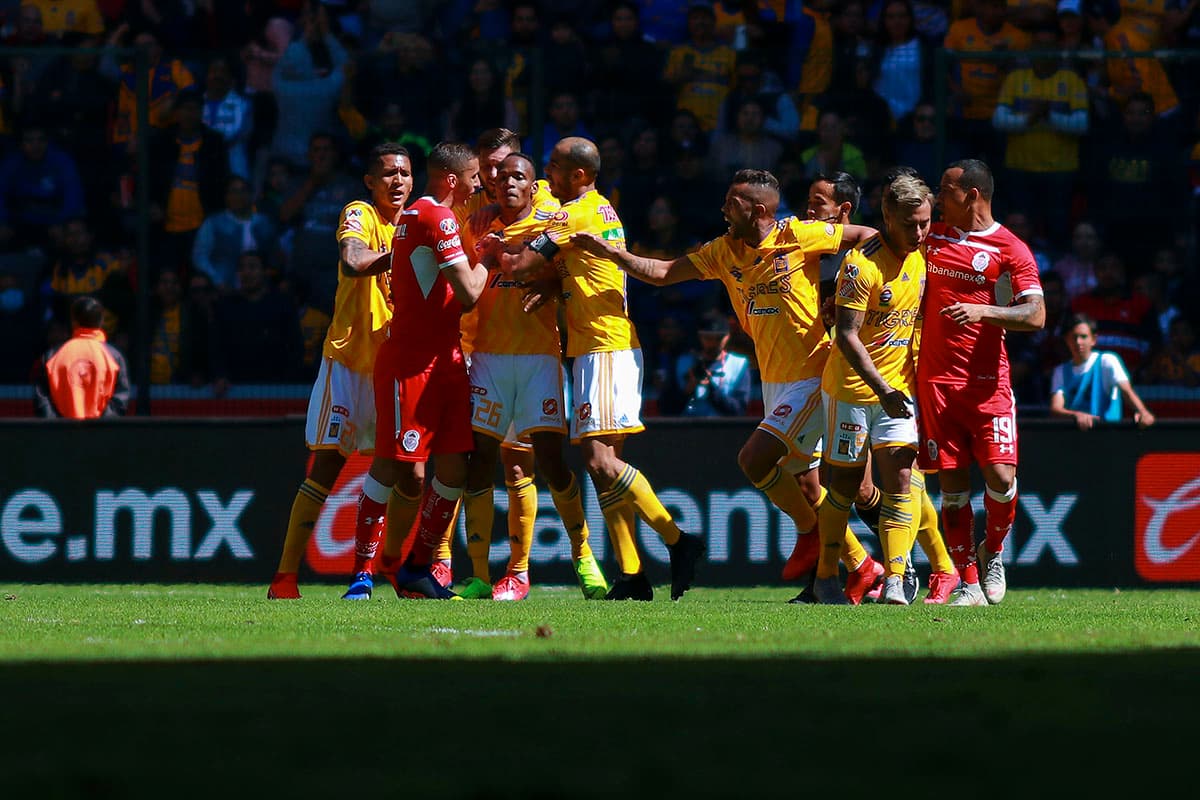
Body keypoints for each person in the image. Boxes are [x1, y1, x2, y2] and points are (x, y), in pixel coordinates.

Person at [571, 168, 882, 603]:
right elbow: (661, 273)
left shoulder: (800, 235)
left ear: (757, 210)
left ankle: (816, 535)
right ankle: (865, 567)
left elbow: (868, 235)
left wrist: (843, 291)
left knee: (755, 461)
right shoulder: (723, 250)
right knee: (807, 485)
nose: (722, 208)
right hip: (774, 379)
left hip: (813, 373)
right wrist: (610, 252)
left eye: (731, 202)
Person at [501, 136, 705, 602]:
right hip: (597, 345)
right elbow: (568, 266)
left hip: (606, 348)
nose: (546, 176)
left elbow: (522, 260)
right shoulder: (596, 208)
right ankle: (632, 574)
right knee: (603, 468)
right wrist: (556, 282)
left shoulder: (575, 213)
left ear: (581, 175)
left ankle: (678, 541)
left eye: (554, 167)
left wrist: (492, 243)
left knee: (599, 460)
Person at [458, 151, 608, 601]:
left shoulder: (550, 224)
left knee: (550, 460)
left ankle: (584, 557)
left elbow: (573, 276)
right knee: (480, 462)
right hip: (489, 358)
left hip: (540, 358)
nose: (508, 184)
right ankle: (482, 575)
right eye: (501, 178)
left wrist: (553, 286)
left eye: (518, 177)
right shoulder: (477, 227)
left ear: (533, 185)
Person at [267, 143, 414, 600]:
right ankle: (285, 577)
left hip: (395, 369)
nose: (398, 181)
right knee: (327, 467)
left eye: (406, 173)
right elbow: (353, 262)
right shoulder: (360, 214)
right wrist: (403, 255)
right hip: (349, 363)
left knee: (408, 475)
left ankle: (381, 568)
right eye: (388, 173)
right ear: (370, 182)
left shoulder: (417, 225)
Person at [339, 141, 485, 601]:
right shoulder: (434, 217)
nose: (479, 184)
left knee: (454, 467)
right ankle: (361, 574)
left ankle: (417, 567)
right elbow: (468, 293)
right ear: (452, 180)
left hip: (446, 359)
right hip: (413, 364)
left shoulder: (420, 218)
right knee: (390, 465)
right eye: (474, 176)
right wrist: (495, 258)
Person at [919, 159, 1045, 607]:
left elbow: (1036, 314)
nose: (937, 198)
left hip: (988, 385)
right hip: (935, 383)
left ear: (971, 195)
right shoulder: (929, 236)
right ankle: (968, 582)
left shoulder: (1010, 249)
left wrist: (984, 311)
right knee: (952, 493)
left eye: (944, 190)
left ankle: (992, 552)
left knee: (1000, 477)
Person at [815, 174, 934, 605]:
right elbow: (846, 335)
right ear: (886, 217)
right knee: (845, 489)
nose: (918, 232)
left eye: (924, 222)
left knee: (901, 480)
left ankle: (899, 579)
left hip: (895, 393)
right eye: (909, 224)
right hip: (852, 390)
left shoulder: (922, 258)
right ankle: (826, 572)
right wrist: (881, 388)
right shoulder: (859, 265)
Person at [1049, 313, 1156, 429]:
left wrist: (1142, 412)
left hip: (1108, 436)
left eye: (1083, 336)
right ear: (1067, 340)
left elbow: (1126, 391)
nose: (1078, 342)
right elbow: (1056, 408)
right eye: (1074, 337)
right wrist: (1077, 415)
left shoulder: (1108, 361)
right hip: (1074, 440)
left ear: (1094, 339)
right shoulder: (1060, 371)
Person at [34, 295, 129, 419]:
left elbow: (43, 398)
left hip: (61, 434)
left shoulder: (53, 355)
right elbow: (120, 399)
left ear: (74, 321)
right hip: (101, 434)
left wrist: (56, 426)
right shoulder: (114, 357)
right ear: (101, 321)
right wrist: (102, 425)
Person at [676, 314, 752, 417]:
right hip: (688, 428)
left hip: (723, 429)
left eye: (718, 338)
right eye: (708, 338)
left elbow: (739, 410)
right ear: (700, 336)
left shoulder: (739, 364)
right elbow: (668, 408)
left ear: (728, 336)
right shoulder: (684, 362)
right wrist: (687, 390)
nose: (713, 343)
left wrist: (712, 389)